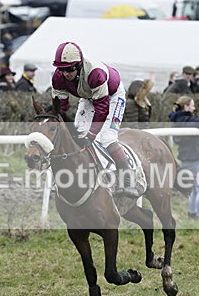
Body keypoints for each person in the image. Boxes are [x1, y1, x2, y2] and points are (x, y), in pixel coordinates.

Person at [50, 40, 139, 196]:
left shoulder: (95, 73)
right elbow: (61, 107)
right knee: (78, 135)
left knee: (107, 137)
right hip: (89, 96)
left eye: (70, 69)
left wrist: (92, 135)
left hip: (112, 96)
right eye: (62, 69)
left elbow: (102, 109)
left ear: (78, 65)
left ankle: (128, 180)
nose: (66, 74)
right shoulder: (58, 77)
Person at [168, 96, 199, 219]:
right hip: (196, 159)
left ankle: (192, 214)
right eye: (192, 105)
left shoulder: (176, 119)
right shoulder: (186, 120)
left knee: (193, 190)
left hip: (184, 159)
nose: (194, 107)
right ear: (186, 107)